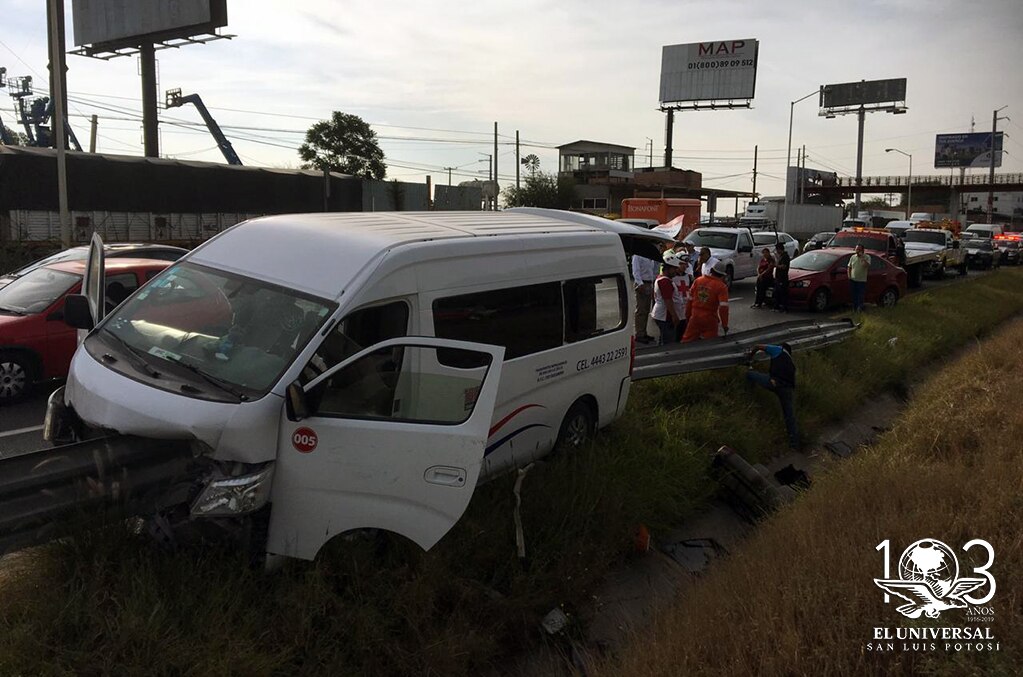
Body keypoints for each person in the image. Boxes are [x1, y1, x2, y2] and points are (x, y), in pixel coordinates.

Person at [746, 342, 799, 450]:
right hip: (787, 389)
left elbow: (757, 346)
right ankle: (794, 444)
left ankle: (749, 396)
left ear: (782, 347)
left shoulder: (777, 349)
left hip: (774, 383)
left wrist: (750, 356)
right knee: (789, 415)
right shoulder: (791, 363)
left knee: (750, 375)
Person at [681, 259, 729, 342]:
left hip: (695, 316)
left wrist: (688, 316)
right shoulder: (721, 287)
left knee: (687, 341)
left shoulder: (698, 281)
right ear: (723, 275)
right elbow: (723, 308)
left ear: (711, 270)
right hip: (710, 319)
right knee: (711, 343)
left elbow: (690, 301)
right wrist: (724, 325)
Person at [650, 252, 686, 345]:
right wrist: (674, 316)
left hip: (661, 314)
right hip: (665, 316)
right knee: (668, 342)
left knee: (664, 339)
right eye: (674, 268)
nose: (676, 271)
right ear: (668, 268)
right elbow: (668, 300)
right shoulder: (665, 281)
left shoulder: (663, 279)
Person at [632, 251, 659, 343]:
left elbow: (654, 270)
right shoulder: (637, 255)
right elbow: (636, 271)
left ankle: (643, 332)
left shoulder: (650, 256)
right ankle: (639, 333)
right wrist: (640, 284)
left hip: (649, 282)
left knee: (646, 309)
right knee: (641, 310)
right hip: (642, 283)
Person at [847, 244, 870, 312]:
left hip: (861, 280)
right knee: (854, 295)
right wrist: (849, 276)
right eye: (856, 249)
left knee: (860, 295)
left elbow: (866, 265)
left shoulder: (867, 257)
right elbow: (849, 267)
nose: (857, 251)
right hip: (853, 279)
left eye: (859, 249)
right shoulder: (853, 257)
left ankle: (860, 308)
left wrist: (862, 257)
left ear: (863, 250)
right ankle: (854, 308)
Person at [772, 243, 791, 313]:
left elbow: (784, 266)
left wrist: (776, 265)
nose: (776, 251)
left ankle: (785, 308)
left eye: (777, 249)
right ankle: (777, 306)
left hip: (782, 278)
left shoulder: (785, 257)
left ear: (780, 249)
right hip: (778, 277)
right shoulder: (780, 256)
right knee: (777, 293)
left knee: (783, 293)